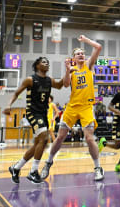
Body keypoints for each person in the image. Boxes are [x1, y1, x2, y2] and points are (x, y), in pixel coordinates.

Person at [41, 35, 104, 181]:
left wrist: (86, 40)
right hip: (72, 107)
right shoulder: (72, 69)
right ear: (73, 58)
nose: (81, 55)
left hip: (87, 107)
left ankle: (97, 167)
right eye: (78, 54)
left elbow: (98, 47)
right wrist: (67, 70)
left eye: (82, 53)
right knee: (60, 137)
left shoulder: (89, 65)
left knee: (89, 139)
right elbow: (66, 84)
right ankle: (48, 163)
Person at [6, 57, 69, 184]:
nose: (46, 63)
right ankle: (33, 171)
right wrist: (9, 105)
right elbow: (16, 93)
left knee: (38, 144)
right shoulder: (30, 80)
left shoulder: (49, 80)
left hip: (43, 114)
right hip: (32, 113)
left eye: (48, 62)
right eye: (43, 62)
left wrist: (68, 71)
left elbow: (59, 85)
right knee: (44, 138)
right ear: (37, 66)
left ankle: (16, 168)